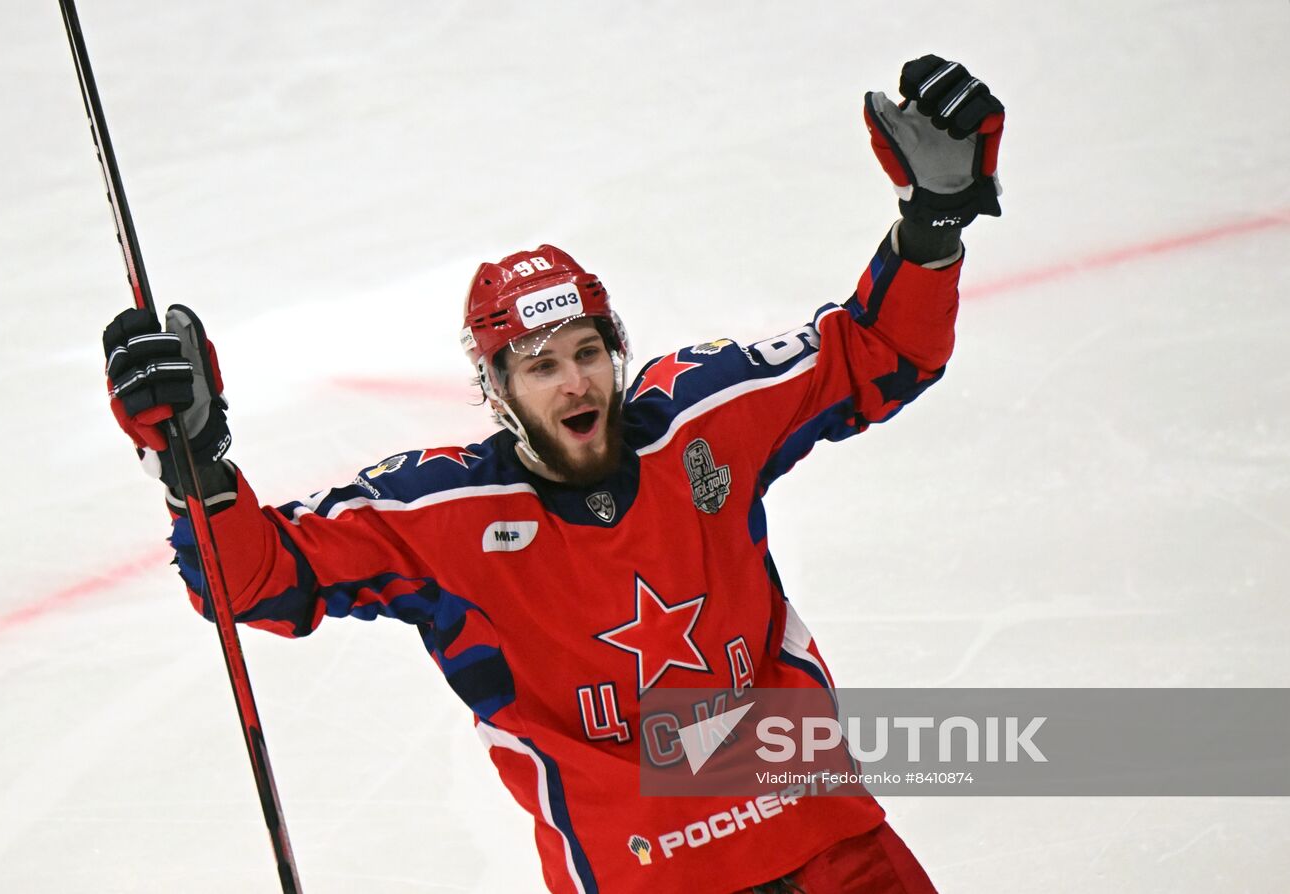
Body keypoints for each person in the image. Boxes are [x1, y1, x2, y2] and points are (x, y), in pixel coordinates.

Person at [102, 55, 1005, 894]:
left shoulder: (702, 421)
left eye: (587, 352)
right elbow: (260, 579)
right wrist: (197, 467)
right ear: (497, 392)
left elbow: (880, 352)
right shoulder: (443, 513)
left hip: (832, 848)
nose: (575, 381)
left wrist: (934, 218)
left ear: (618, 353)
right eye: (540, 365)